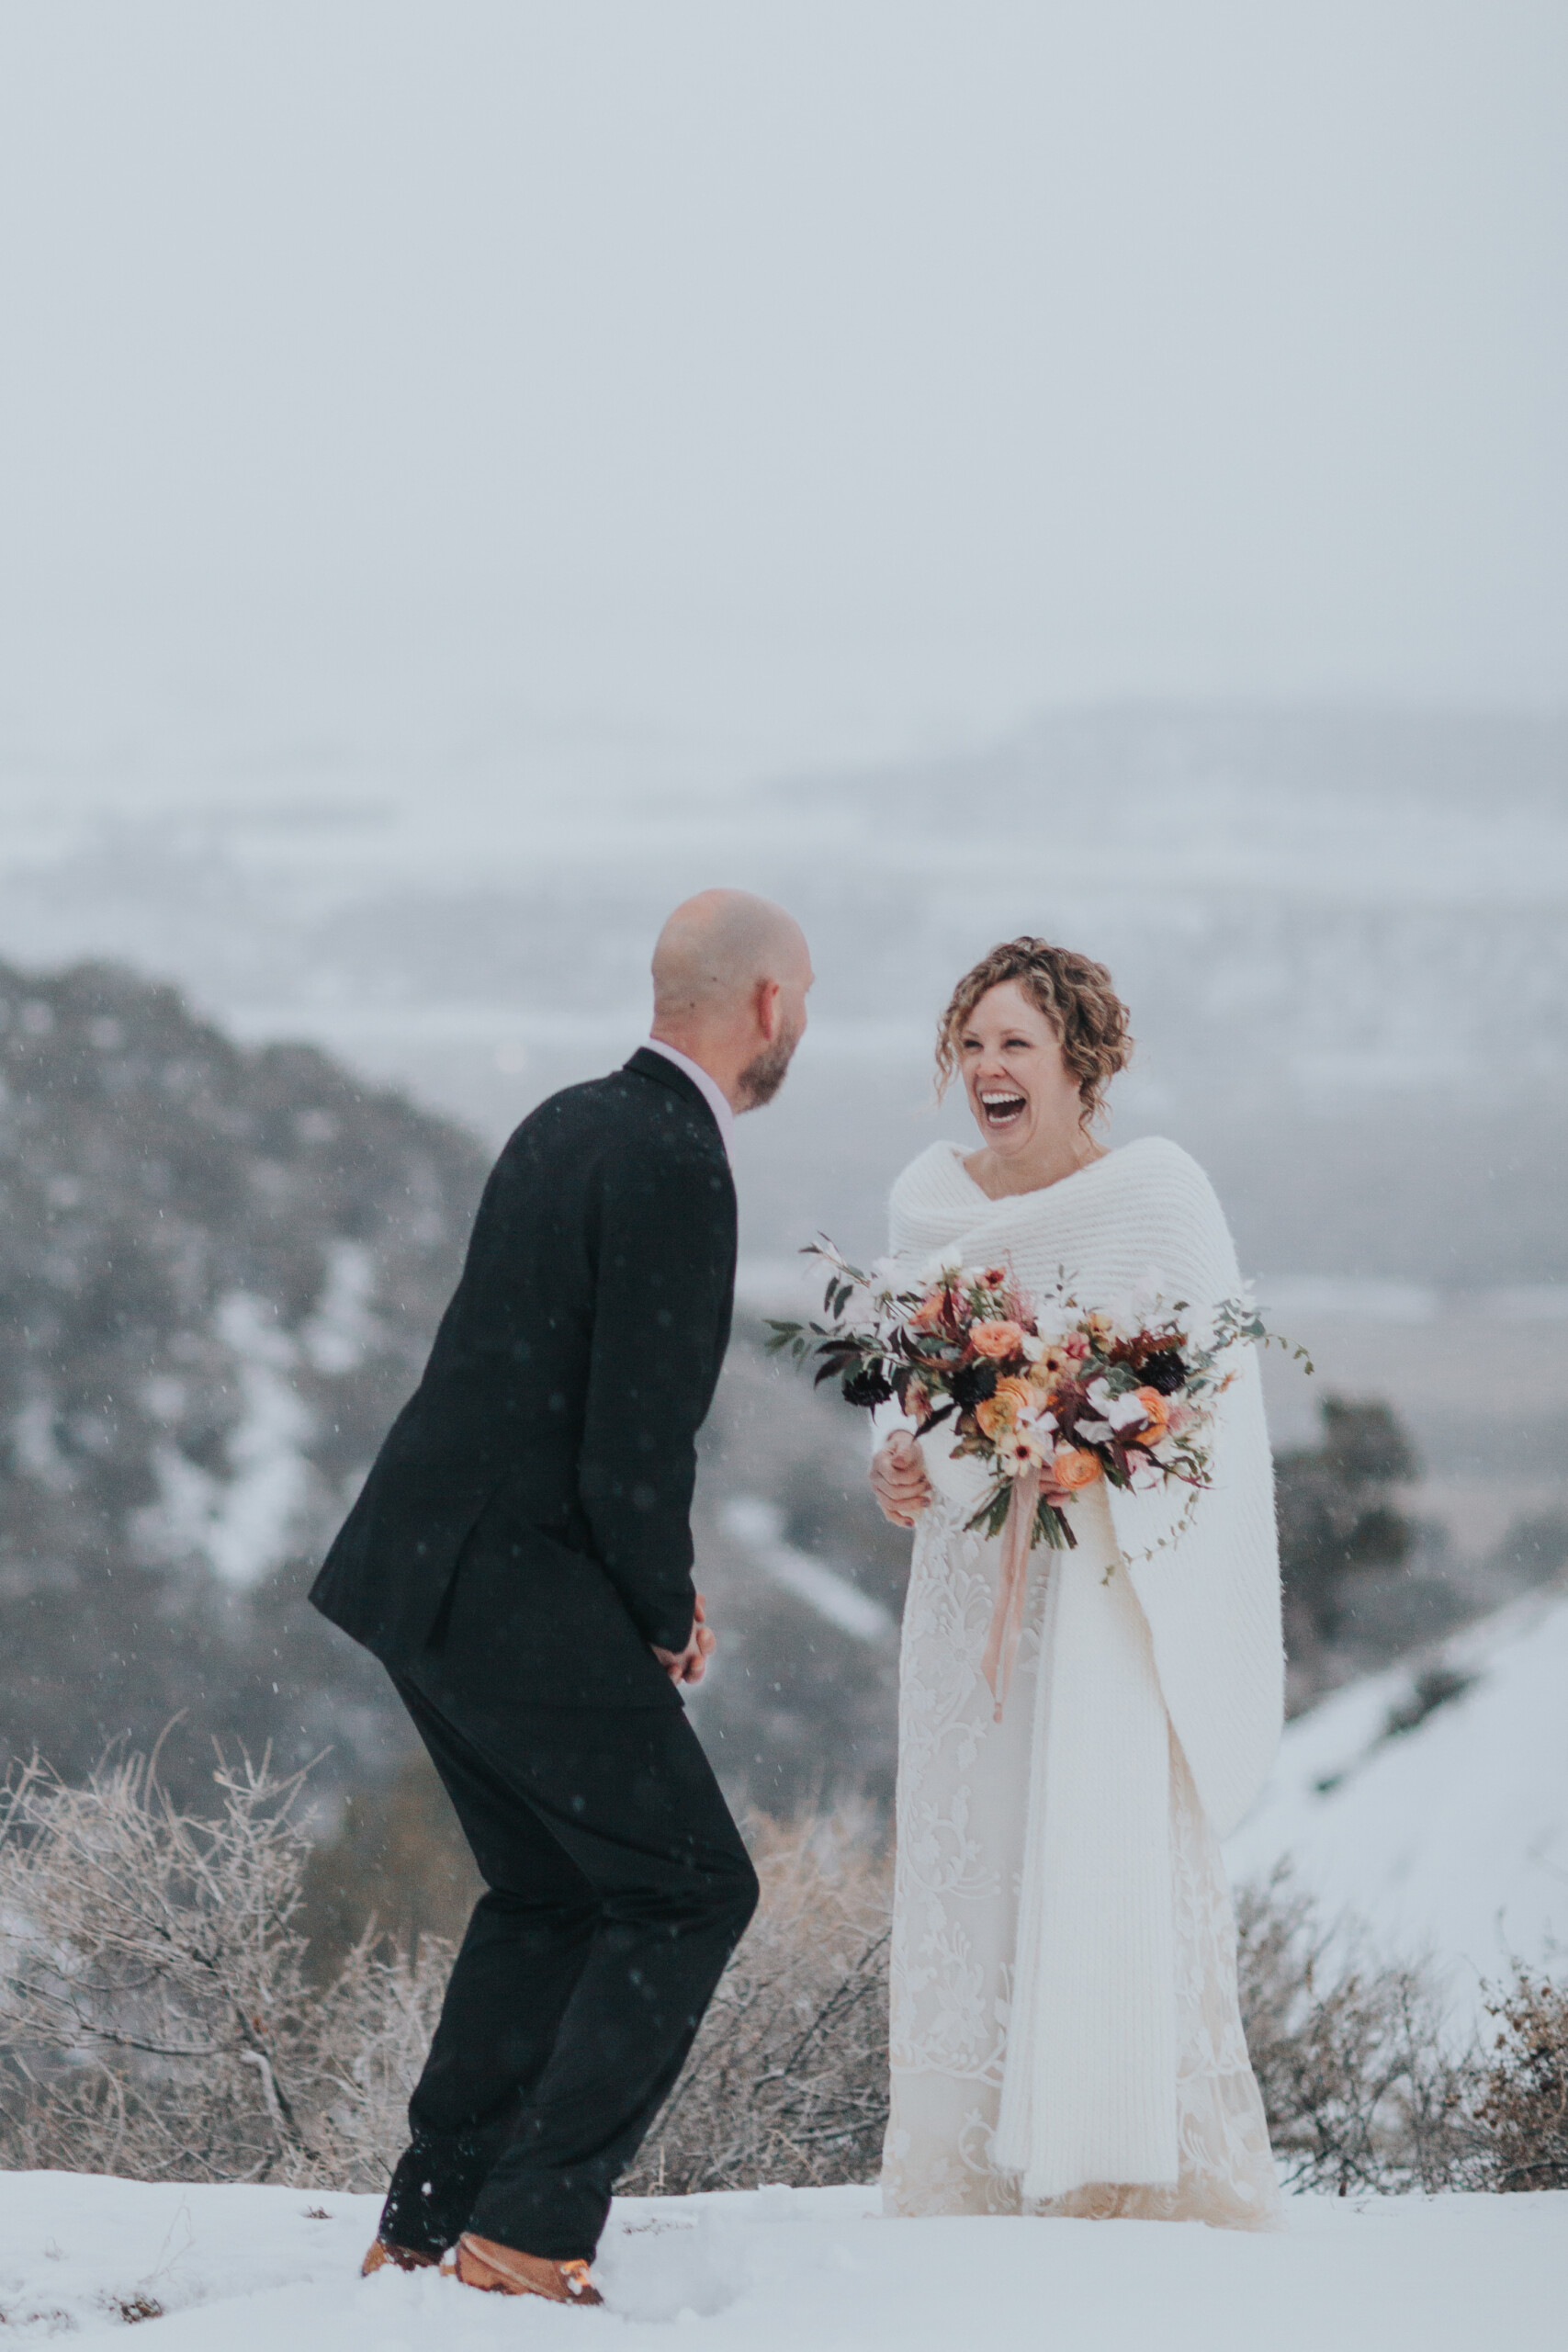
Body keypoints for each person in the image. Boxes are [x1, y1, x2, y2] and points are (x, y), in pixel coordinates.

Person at [310, 888, 813, 2303]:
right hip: (512, 1578)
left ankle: (429, 2222)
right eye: (804, 1000)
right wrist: (661, 1612)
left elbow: (519, 1377)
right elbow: (633, 1442)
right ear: (766, 1005)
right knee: (692, 1890)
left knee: (550, 1893)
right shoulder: (677, 1159)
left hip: (419, 1565)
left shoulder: (566, 1120)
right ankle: (530, 2233)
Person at [870, 937, 1284, 2228]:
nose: (988, 1068)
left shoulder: (1157, 1197)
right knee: (978, 1849)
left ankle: (1118, 2156)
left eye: (1017, 1044)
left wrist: (1102, 1458)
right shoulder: (927, 1203)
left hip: (1104, 1598)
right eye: (972, 1044)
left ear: (1079, 1061)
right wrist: (893, 1461)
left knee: (1100, 1853)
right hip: (968, 1595)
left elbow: (1208, 1407)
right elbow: (907, 1391)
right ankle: (972, 2164)